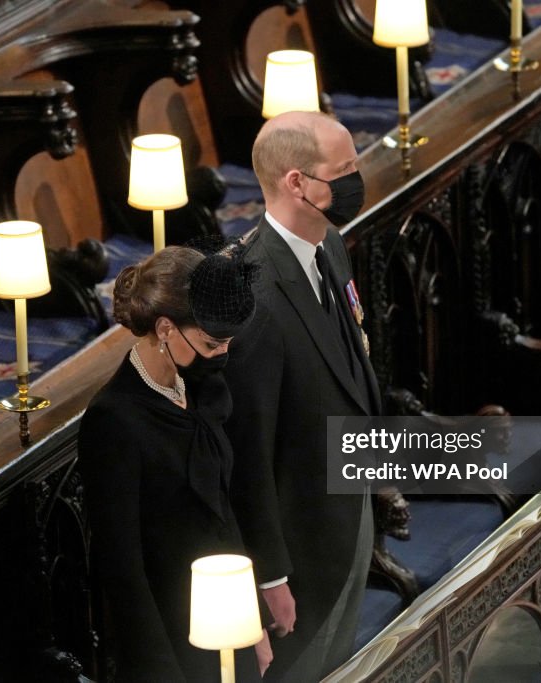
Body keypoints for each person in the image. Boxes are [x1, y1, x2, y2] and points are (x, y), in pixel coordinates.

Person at [223, 110, 381, 682]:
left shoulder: (328, 243)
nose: (355, 180)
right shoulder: (256, 296)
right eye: (343, 170)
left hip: (348, 500)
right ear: (296, 183)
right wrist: (270, 574)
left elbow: (349, 355)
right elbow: (249, 450)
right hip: (302, 538)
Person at [78, 246, 268, 681]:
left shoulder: (201, 385)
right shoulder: (113, 420)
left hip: (227, 619)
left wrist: (251, 620)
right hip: (169, 640)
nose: (222, 353)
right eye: (211, 342)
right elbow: (123, 570)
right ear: (165, 328)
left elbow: (224, 511)